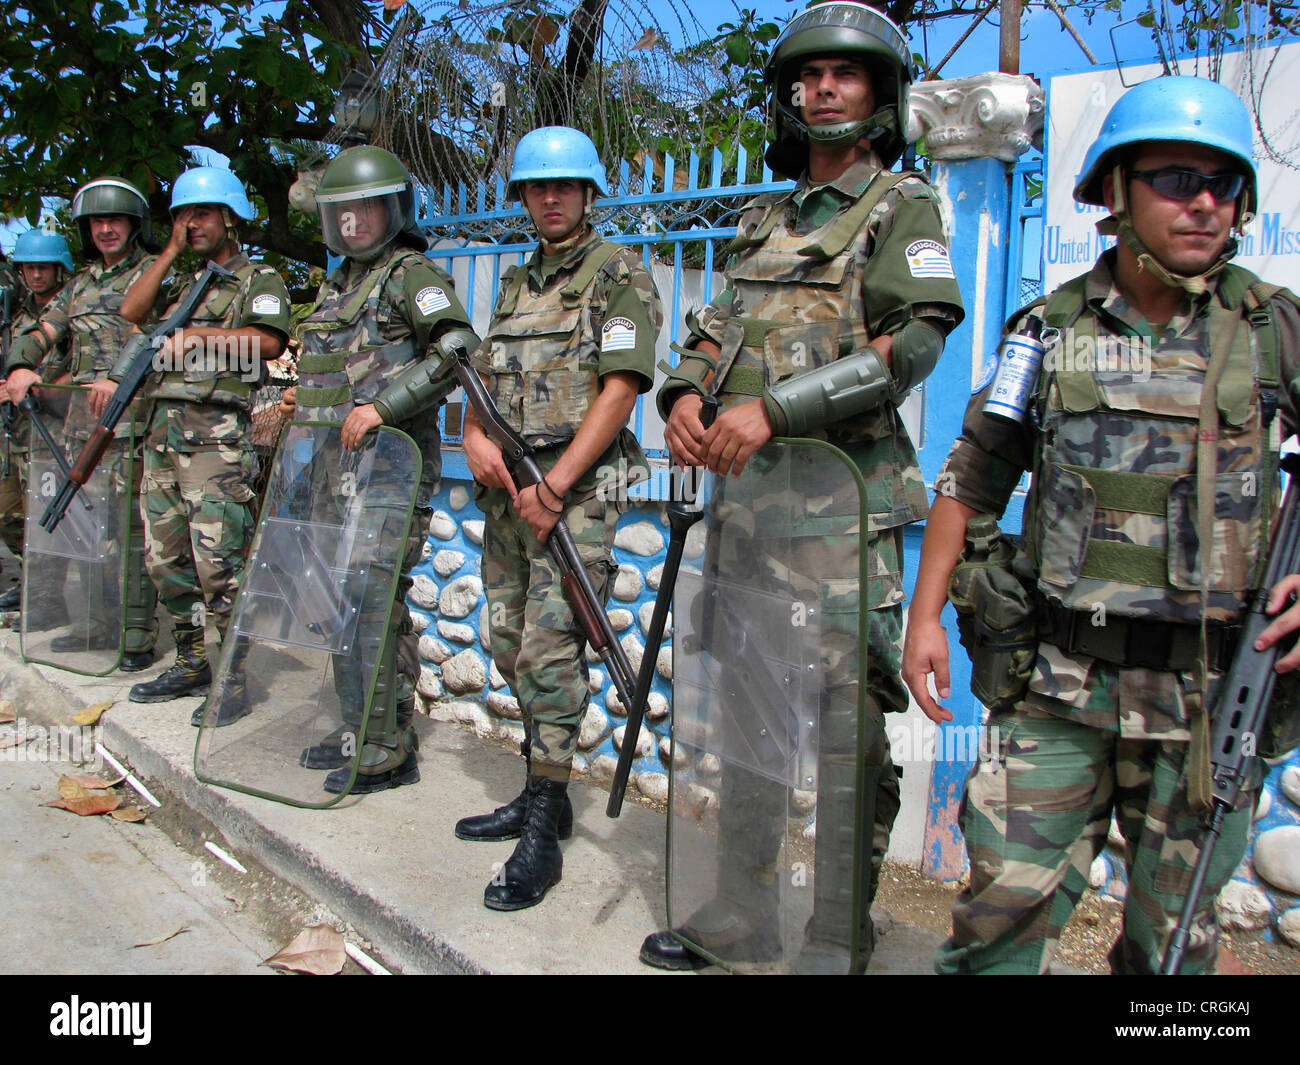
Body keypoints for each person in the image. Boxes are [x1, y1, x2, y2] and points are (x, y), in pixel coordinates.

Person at [901, 75, 1300, 975]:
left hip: (1209, 697)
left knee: (1173, 952)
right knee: (997, 919)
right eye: (1175, 178)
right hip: (1057, 685)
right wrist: (925, 620)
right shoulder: (1045, 331)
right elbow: (971, 476)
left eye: (1224, 184)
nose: (1204, 203)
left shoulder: (1273, 330)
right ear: (1116, 192)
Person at [640, 0, 963, 973]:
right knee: (748, 727)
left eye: (845, 73)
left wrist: (775, 412)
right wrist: (683, 398)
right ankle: (742, 910)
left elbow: (912, 345)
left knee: (844, 734)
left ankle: (836, 930)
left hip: (841, 521)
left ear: (878, 94)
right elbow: (710, 332)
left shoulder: (901, 206)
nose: (822, 86)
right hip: (746, 522)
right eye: (808, 73)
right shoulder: (760, 219)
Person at [456, 126, 661, 911]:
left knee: (551, 647)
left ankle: (543, 822)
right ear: (522, 198)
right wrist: (473, 434)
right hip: (513, 488)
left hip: (577, 491)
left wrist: (557, 485)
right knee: (507, 637)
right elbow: (484, 380)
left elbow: (620, 389)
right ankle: (544, 787)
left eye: (565, 187)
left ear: (588, 193)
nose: (550, 198)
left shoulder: (619, 276)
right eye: (538, 188)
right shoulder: (514, 285)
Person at [279, 145, 478, 793]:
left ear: (392, 210)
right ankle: (364, 729)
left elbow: (456, 350)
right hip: (335, 474)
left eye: (369, 206)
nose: (356, 220)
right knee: (350, 600)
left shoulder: (408, 273)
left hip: (391, 469)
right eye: (345, 210)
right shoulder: (337, 284)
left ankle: (383, 746)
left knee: (367, 596)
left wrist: (382, 406)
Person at [92, 166, 289, 724]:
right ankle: (193, 659)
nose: (190, 223)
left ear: (230, 217)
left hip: (216, 441)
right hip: (163, 434)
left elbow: (270, 342)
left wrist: (199, 337)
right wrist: (172, 253)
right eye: (181, 214)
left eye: (201, 213)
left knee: (219, 564)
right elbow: (131, 313)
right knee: (165, 558)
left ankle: (234, 676)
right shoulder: (182, 284)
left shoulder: (258, 278)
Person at [6, 178, 162, 671]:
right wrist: (20, 367)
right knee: (88, 527)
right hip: (78, 429)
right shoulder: (80, 284)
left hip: (133, 423)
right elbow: (44, 329)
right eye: (97, 221)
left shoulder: (156, 275)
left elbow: (156, 334)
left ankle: (136, 636)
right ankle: (98, 623)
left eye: (115, 220)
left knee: (133, 534)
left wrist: (118, 378)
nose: (107, 229)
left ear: (134, 225)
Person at [0, 230, 76, 612]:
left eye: (43, 266)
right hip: (15, 424)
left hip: (53, 423)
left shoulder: (71, 313)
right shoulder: (15, 313)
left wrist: (43, 387)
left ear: (58, 269)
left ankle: (47, 598)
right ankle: (30, 579)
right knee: (8, 511)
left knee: (46, 512)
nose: (35, 274)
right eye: (29, 267)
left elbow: (82, 365)